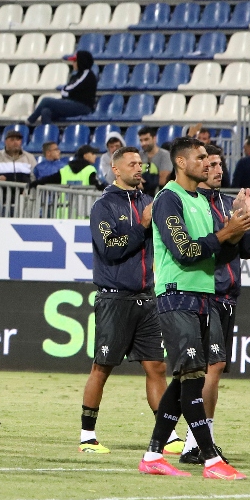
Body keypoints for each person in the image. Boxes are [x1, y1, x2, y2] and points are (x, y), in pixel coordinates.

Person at [139, 137, 250, 480]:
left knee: (188, 376)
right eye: (201, 158)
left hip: (204, 296)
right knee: (192, 376)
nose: (208, 163)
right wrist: (225, 233)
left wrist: (240, 225)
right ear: (182, 163)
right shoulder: (168, 199)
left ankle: (153, 455)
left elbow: (224, 255)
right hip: (177, 295)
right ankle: (210, 459)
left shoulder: (201, 201)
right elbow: (184, 251)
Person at [78, 146, 172, 454]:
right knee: (102, 367)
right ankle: (86, 436)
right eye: (132, 164)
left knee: (156, 366)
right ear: (116, 170)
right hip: (115, 299)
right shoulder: (103, 206)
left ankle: (167, 435)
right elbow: (110, 248)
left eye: (141, 164)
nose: (139, 168)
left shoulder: (148, 201)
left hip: (147, 298)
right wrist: (141, 226)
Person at [180, 146, 250, 465]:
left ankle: (196, 440)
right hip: (204, 294)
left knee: (213, 372)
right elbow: (208, 250)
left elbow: (248, 250)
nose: (217, 170)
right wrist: (233, 224)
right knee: (207, 370)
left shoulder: (228, 203)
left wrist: (246, 216)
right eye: (210, 164)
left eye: (220, 164)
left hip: (228, 296)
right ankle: (196, 442)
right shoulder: (192, 206)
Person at [28, 51, 98, 125]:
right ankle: (51, 133)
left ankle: (30, 120)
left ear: (81, 62)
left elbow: (68, 89)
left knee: (46, 101)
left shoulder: (88, 75)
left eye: (75, 61)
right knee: (45, 111)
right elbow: (65, 91)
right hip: (72, 104)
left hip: (83, 107)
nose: (73, 63)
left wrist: (67, 92)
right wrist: (67, 92)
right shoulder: (76, 75)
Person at [31, 145, 104, 190]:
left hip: (64, 211)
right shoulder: (90, 170)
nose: (95, 156)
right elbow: (100, 185)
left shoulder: (65, 169)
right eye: (93, 153)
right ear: (85, 156)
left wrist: (33, 184)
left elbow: (47, 180)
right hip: (82, 213)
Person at [138, 126, 172, 195]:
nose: (143, 143)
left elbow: (163, 180)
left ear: (154, 138)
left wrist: (140, 180)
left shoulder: (165, 155)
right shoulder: (139, 155)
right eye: (141, 140)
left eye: (146, 139)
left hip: (159, 195)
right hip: (141, 195)